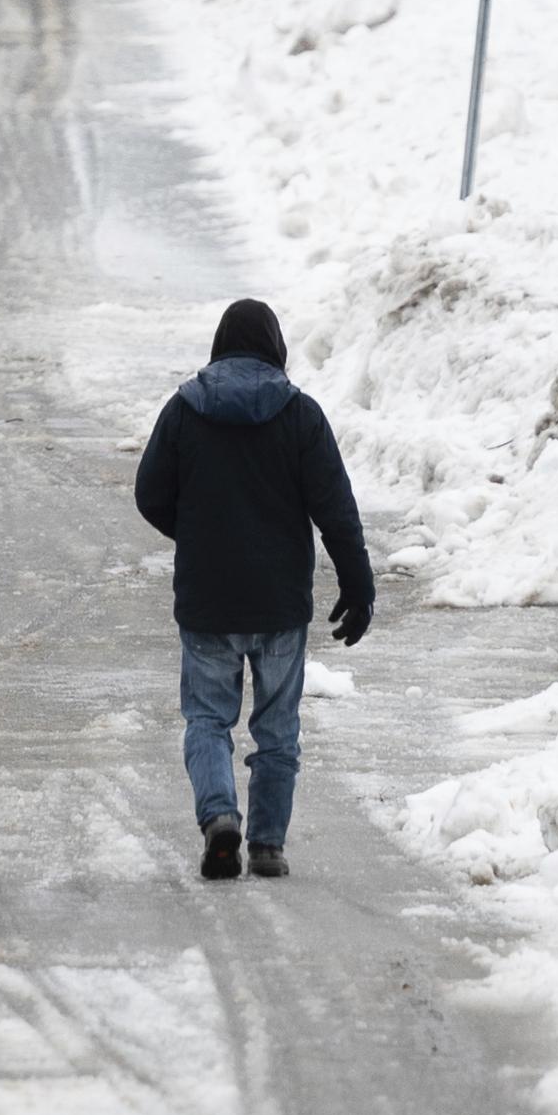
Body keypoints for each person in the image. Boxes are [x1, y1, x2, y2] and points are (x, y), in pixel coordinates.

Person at [133, 298, 376, 882]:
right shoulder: (300, 415)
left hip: (208, 601)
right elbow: (335, 510)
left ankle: (220, 819)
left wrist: (194, 533)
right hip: (279, 605)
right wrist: (357, 583)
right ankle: (267, 844)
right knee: (276, 730)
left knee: (208, 720)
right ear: (275, 348)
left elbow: (149, 493)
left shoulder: (185, 410)